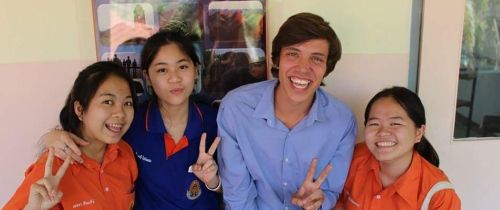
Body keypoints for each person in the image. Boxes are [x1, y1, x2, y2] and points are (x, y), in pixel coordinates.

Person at [40, 25, 222, 210]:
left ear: (196, 70)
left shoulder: (217, 120)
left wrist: (214, 182)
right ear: (148, 77)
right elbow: (92, 139)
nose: (174, 78)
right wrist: (52, 137)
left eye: (182, 66)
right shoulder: (130, 122)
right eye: (161, 70)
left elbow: (239, 189)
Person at [217, 12, 357, 210]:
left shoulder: (342, 121)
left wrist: (319, 201)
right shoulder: (237, 108)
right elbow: (238, 193)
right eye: (293, 54)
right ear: (277, 59)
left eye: (316, 59)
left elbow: (331, 192)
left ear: (327, 68)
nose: (303, 68)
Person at [3, 61, 138, 209]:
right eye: (108, 101)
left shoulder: (125, 153)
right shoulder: (54, 166)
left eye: (127, 103)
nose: (121, 113)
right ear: (80, 109)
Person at [334, 87, 461, 210]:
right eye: (374, 123)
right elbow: (337, 201)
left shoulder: (439, 196)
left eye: (395, 123)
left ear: (418, 133)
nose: (383, 132)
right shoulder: (354, 157)